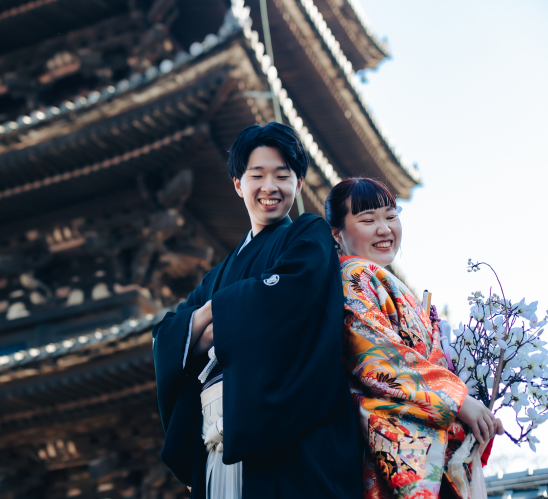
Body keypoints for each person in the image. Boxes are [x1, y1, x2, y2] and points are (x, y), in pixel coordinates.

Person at [152, 122, 363, 499]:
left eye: (283, 176)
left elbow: (284, 304)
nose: (270, 187)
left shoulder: (308, 234)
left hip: (293, 435)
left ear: (298, 184)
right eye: (257, 175)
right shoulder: (217, 274)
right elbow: (168, 335)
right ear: (238, 185)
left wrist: (212, 314)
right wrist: (220, 312)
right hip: (218, 433)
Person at [324, 178, 504, 499]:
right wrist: (460, 401)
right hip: (397, 443)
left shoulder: (386, 283)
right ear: (337, 233)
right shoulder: (352, 276)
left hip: (430, 437)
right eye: (368, 220)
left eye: (391, 216)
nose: (384, 229)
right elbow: (378, 361)